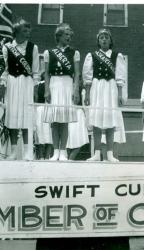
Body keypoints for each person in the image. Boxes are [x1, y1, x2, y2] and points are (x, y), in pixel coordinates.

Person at [83, 28, 126, 162]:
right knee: (96, 120)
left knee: (110, 120)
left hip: (111, 88)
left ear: (110, 40)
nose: (104, 39)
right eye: (101, 37)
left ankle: (109, 154)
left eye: (106, 37)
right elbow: (88, 77)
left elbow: (120, 77)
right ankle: (96, 154)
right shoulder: (92, 55)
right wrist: (88, 94)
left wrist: (120, 95)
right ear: (98, 41)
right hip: (97, 88)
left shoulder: (117, 56)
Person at [0, 18, 40, 160]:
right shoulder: (7, 47)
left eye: (29, 30)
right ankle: (13, 152)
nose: (28, 33)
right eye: (24, 30)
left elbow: (35, 71)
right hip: (12, 83)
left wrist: (35, 90)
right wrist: (2, 85)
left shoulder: (33, 48)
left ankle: (28, 152)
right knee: (12, 117)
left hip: (27, 84)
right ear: (16, 32)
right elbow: (5, 70)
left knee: (26, 117)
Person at [43, 23, 80, 161]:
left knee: (64, 120)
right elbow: (46, 73)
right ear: (59, 36)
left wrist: (76, 90)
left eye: (70, 35)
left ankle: (63, 151)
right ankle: (55, 151)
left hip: (67, 84)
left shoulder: (74, 53)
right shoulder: (49, 53)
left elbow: (77, 74)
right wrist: (46, 90)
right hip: (54, 84)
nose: (69, 37)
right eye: (66, 35)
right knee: (55, 120)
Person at [34, 72, 53, 160]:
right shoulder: (48, 85)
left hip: (40, 110)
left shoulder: (37, 86)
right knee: (47, 133)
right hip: (45, 109)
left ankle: (43, 157)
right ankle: (45, 157)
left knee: (42, 133)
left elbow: (35, 98)